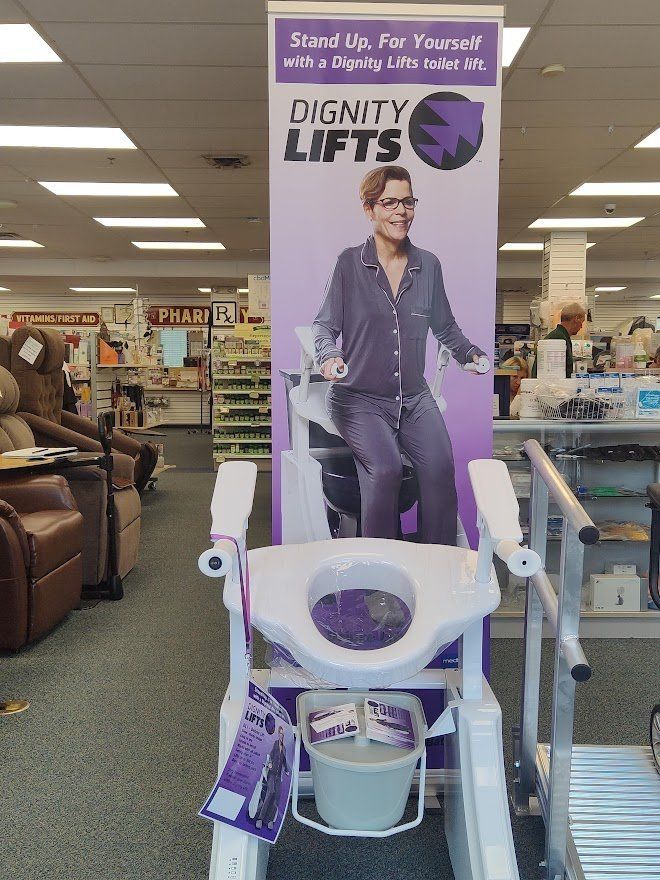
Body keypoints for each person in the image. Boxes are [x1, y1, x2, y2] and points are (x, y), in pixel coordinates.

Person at [312, 165, 486, 545]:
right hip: (359, 399)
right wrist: (328, 356)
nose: (400, 211)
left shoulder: (429, 266)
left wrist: (467, 353)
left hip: (414, 397)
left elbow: (445, 326)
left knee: (440, 469)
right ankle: (382, 574)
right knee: (386, 470)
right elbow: (323, 326)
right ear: (369, 209)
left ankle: (438, 565)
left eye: (407, 202)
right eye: (389, 202)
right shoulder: (348, 264)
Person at [531, 302, 586, 378]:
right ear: (576, 319)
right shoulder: (557, 339)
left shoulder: (561, 336)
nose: (581, 327)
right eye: (581, 322)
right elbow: (553, 375)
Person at [255, 727, 289, 831]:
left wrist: (287, 770)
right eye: (280, 734)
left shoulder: (285, 748)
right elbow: (270, 755)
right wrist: (269, 763)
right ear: (278, 734)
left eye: (283, 734)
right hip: (272, 774)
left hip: (279, 775)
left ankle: (270, 820)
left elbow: (284, 761)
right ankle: (260, 818)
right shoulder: (275, 744)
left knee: (277, 796)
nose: (281, 736)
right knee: (270, 792)